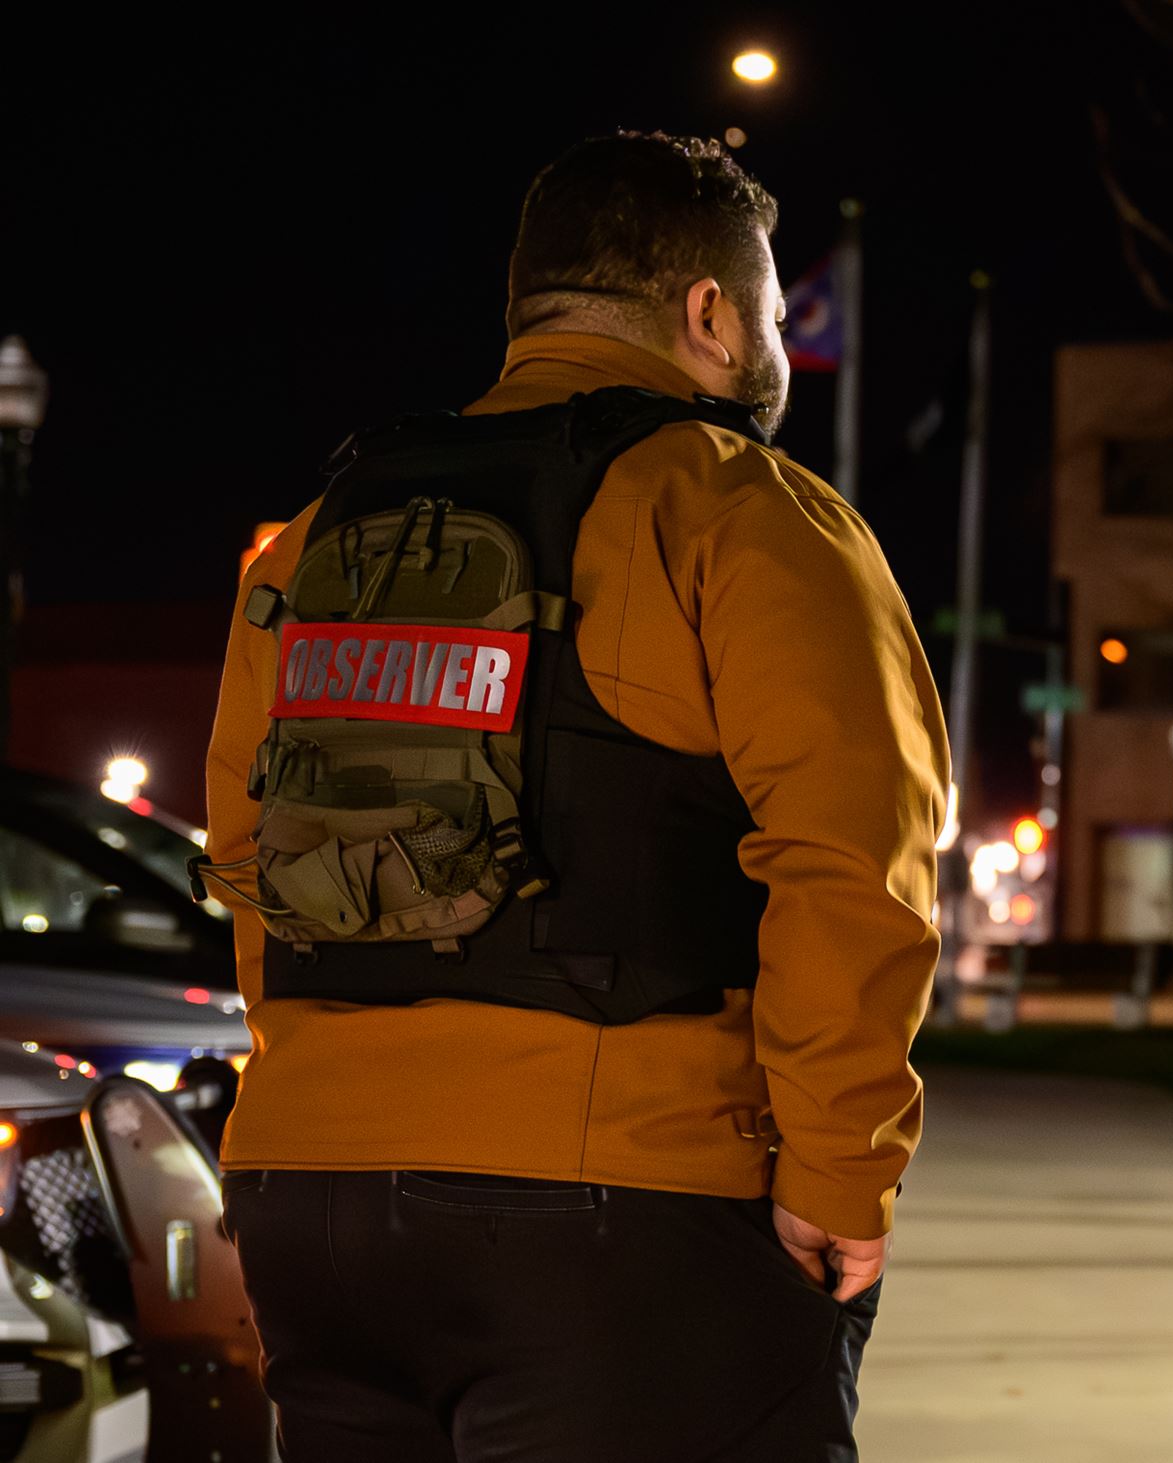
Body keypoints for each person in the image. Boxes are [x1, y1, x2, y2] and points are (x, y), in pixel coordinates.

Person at [200, 133, 948, 1461]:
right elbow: (852, 862)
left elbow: (252, 850)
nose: (776, 345)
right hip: (623, 1214)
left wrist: (313, 1114)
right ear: (710, 313)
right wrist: (840, 1170)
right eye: (772, 315)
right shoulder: (740, 513)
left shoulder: (323, 531)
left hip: (312, 1214)